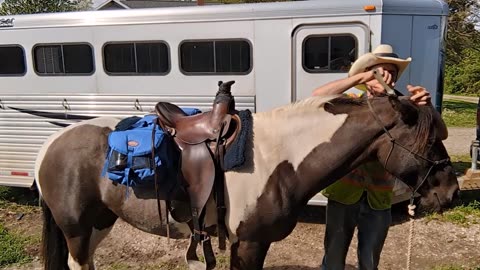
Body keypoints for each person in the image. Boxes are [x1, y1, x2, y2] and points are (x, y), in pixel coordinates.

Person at [312, 44, 448, 270]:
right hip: (343, 192)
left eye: (392, 73)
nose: (388, 78)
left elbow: (441, 134)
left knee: (370, 260)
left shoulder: (404, 104)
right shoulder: (352, 99)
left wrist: (428, 108)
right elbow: (317, 97)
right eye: (381, 72)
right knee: (334, 259)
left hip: (380, 195)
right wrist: (362, 77)